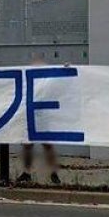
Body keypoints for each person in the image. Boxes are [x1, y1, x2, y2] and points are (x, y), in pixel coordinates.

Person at [18, 54, 62, 185]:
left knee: (47, 144)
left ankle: (53, 172)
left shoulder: (47, 81)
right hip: (31, 112)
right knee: (28, 145)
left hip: (43, 114)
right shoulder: (30, 80)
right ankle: (27, 172)